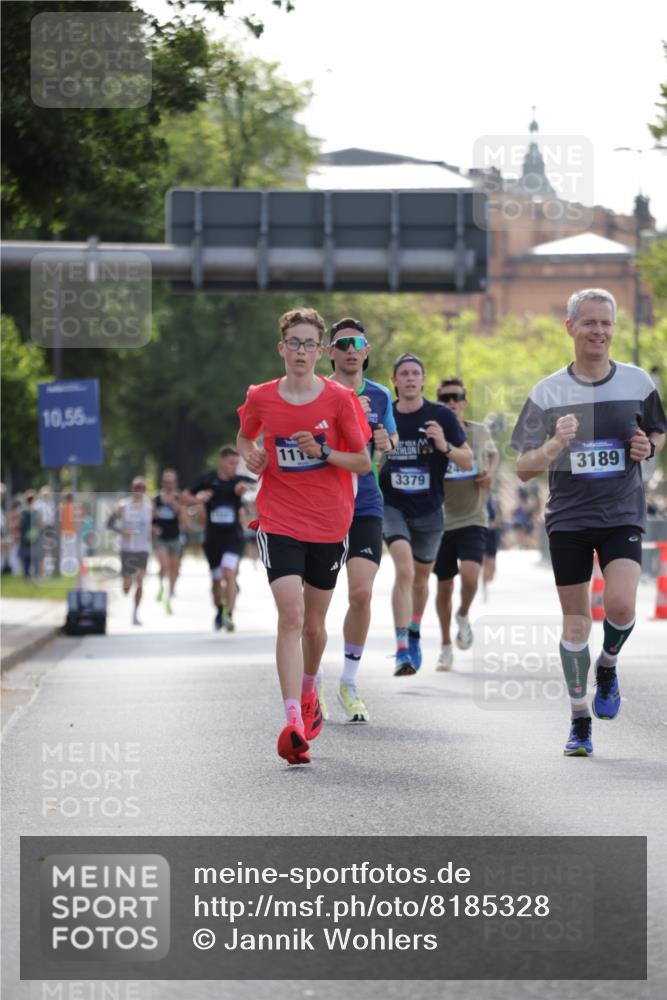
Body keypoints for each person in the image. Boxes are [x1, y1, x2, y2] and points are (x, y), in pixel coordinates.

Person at [511, 288, 666, 757]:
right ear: (570, 327)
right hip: (569, 521)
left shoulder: (639, 382)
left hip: (621, 513)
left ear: (613, 329)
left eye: (606, 323)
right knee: (576, 623)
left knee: (620, 607)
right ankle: (580, 721)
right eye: (590, 323)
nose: (599, 331)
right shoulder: (547, 392)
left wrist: (650, 448)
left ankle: (609, 663)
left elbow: (657, 430)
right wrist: (555, 445)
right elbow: (524, 466)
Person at [237, 307, 371, 765]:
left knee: (314, 625)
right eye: (292, 342)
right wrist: (252, 455)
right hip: (279, 518)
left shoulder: (338, 400)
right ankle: (292, 720)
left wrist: (324, 451)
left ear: (320, 351)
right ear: (282, 348)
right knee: (291, 617)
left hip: (330, 522)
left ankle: (311, 690)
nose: (300, 351)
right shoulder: (261, 397)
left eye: (308, 344)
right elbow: (244, 436)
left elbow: (362, 461)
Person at [320, 316, 399, 722]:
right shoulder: (316, 391)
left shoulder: (381, 396)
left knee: (361, 595)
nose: (351, 350)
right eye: (343, 343)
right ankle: (309, 681)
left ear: (366, 352)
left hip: (366, 504)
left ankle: (348, 681)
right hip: (320, 504)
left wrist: (386, 440)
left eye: (358, 343)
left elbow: (390, 440)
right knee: (315, 601)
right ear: (330, 351)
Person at [379, 354, 472, 675]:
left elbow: (467, 460)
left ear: (422, 380)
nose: (408, 378)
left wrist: (443, 445)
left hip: (431, 510)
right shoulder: (384, 413)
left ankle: (415, 629)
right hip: (393, 506)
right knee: (403, 570)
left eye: (414, 373)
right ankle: (402, 647)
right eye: (402, 373)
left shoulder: (440, 415)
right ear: (395, 381)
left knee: (420, 579)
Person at [433, 377, 498, 670]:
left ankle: (463, 613)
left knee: (471, 576)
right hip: (439, 521)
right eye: (445, 398)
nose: (451, 403)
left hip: (473, 518)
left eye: (456, 397)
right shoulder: (431, 435)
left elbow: (493, 454)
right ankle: (446, 645)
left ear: (464, 402)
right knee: (444, 586)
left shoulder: (479, 432)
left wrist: (490, 473)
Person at [183, 448, 254, 632]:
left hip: (233, 537)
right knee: (216, 580)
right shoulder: (208, 479)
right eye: (231, 463)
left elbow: (257, 487)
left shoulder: (238, 482)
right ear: (221, 461)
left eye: (236, 463)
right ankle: (219, 610)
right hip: (213, 539)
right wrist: (199, 499)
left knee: (229, 573)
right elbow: (185, 496)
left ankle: (230, 615)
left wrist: (244, 492)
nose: (234, 467)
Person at [108, 477, 153, 626]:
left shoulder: (149, 508)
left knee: (140, 581)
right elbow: (109, 523)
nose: (139, 490)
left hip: (143, 549)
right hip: (127, 548)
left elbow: (158, 523)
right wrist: (122, 531)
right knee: (127, 585)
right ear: (132, 489)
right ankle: (126, 584)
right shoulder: (123, 506)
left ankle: (135, 613)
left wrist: (156, 530)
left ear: (144, 490)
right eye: (136, 487)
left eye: (141, 488)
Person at [152, 469, 183, 615]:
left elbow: (184, 517)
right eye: (166, 481)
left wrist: (174, 504)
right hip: (160, 538)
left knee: (174, 569)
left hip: (175, 537)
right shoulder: (156, 498)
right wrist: (153, 527)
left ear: (175, 483)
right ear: (162, 483)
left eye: (171, 482)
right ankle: (161, 586)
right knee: (164, 566)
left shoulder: (179, 497)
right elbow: (150, 517)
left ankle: (170, 595)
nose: (169, 484)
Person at [19, 490, 43, 580]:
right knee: (32, 558)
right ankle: (34, 576)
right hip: (31, 538)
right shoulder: (32, 512)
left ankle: (27, 576)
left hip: (27, 538)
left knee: (27, 559)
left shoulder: (23, 512)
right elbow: (40, 525)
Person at [481, 493, 499, 601]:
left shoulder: (494, 500)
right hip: (482, 533)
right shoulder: (477, 498)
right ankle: (484, 590)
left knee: (491, 569)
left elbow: (499, 519)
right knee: (484, 563)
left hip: (492, 534)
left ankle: (486, 581)